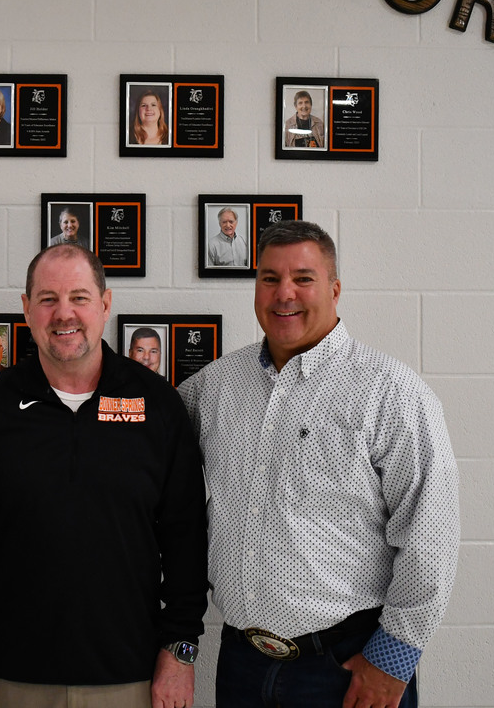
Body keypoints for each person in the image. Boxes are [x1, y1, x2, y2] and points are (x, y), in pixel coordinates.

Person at [178, 221, 460, 708]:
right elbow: (148, 462)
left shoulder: (390, 393)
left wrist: (392, 662)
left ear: (334, 288)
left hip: (346, 667)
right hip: (241, 662)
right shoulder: (216, 387)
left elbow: (429, 534)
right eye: (269, 278)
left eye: (303, 278)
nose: (284, 293)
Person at [0, 244, 208, 708]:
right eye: (47, 299)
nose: (64, 314)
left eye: (79, 297)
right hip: (11, 681)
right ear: (26, 310)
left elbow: (187, 539)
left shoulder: (158, 405)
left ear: (105, 305)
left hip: (133, 679)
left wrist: (180, 651)